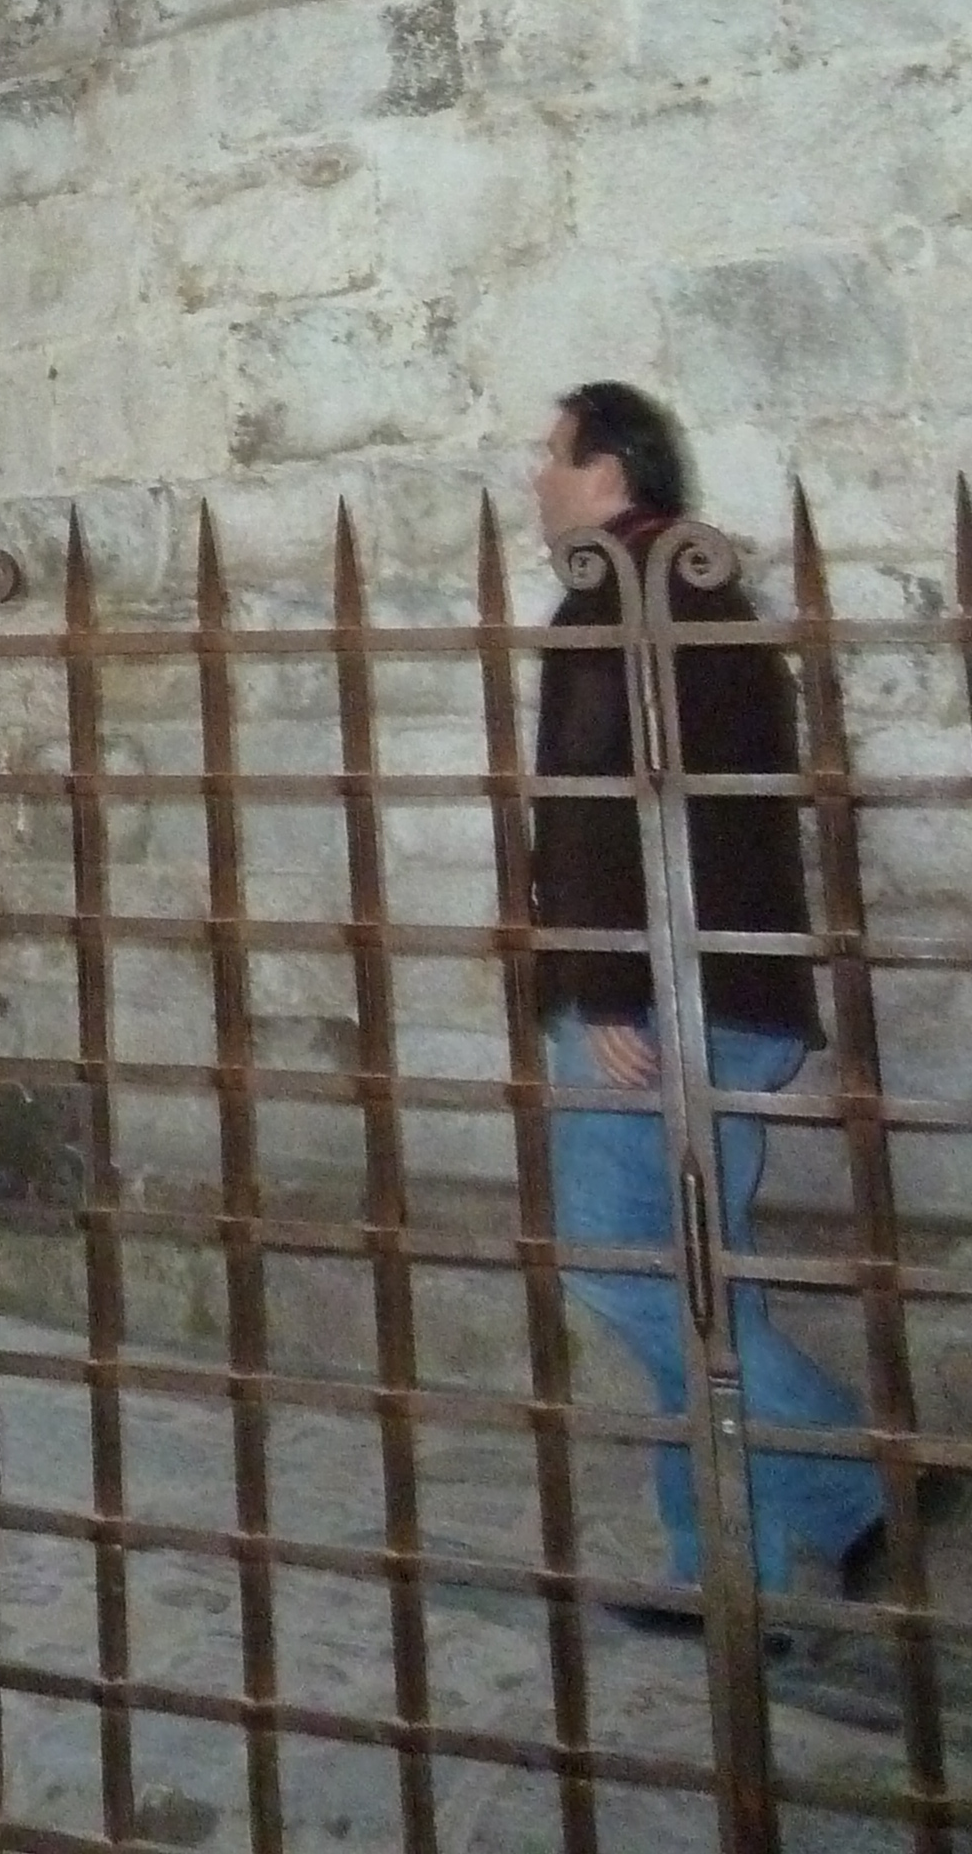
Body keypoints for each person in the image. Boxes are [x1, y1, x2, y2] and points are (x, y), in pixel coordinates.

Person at [528, 380, 911, 1611]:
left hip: (657, 997)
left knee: (624, 1271)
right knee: (692, 1281)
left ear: (608, 471)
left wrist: (607, 990)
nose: (536, 475)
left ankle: (859, 1489)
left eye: (551, 454)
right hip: (722, 985)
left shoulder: (623, 588)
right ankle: (722, 1578)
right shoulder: (708, 593)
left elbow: (610, 799)